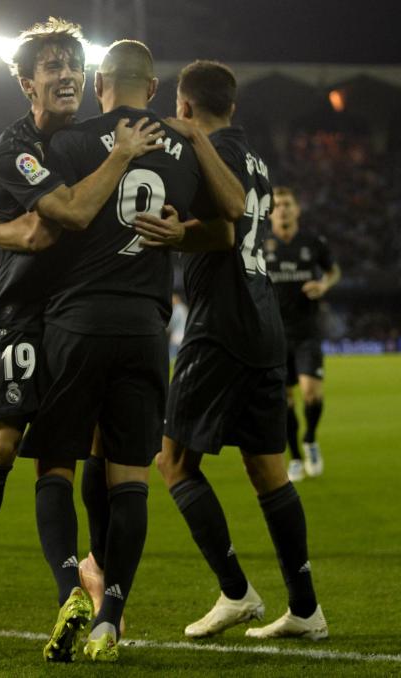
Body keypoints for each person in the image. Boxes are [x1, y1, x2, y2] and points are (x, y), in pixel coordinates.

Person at [0, 19, 166, 661]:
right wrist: (0, 231)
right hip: (25, 309)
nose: (66, 74)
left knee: (99, 443)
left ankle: (91, 569)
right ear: (26, 82)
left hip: (83, 311)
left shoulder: (89, 136)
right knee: (5, 442)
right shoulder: (14, 147)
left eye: (73, 63)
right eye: (52, 66)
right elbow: (49, 225)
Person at [16, 40, 244, 662]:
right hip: (146, 329)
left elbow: (45, 225)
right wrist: (182, 229)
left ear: (98, 86)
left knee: (55, 467)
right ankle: (110, 620)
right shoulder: (182, 149)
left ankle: (71, 590)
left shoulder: (66, 143)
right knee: (130, 480)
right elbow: (229, 223)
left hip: (76, 325)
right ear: (154, 86)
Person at [138, 60, 328, 642]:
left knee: (171, 462)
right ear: (234, 106)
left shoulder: (200, 150)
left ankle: (236, 592)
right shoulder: (256, 159)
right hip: (263, 320)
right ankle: (305, 609)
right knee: (267, 470)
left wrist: (176, 235)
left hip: (220, 323)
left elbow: (221, 229)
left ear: (185, 105)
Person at [265, 188, 340, 480]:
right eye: (278, 206)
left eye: (288, 204)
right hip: (274, 335)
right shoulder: (260, 244)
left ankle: (310, 439)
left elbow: (333, 271)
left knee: (311, 393)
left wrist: (324, 285)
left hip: (307, 332)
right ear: (270, 213)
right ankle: (295, 455)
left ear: (297, 209)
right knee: (284, 401)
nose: (283, 210)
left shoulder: (313, 243)